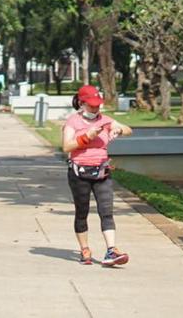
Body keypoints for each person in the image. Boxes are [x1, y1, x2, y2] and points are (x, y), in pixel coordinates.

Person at [62, 84, 133, 267]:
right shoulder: (73, 122)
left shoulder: (105, 120)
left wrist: (119, 130)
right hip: (79, 173)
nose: (96, 108)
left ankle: (111, 250)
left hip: (102, 172)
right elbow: (66, 147)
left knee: (106, 211)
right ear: (81, 103)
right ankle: (85, 249)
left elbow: (127, 129)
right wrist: (87, 136)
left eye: (98, 105)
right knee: (82, 211)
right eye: (92, 105)